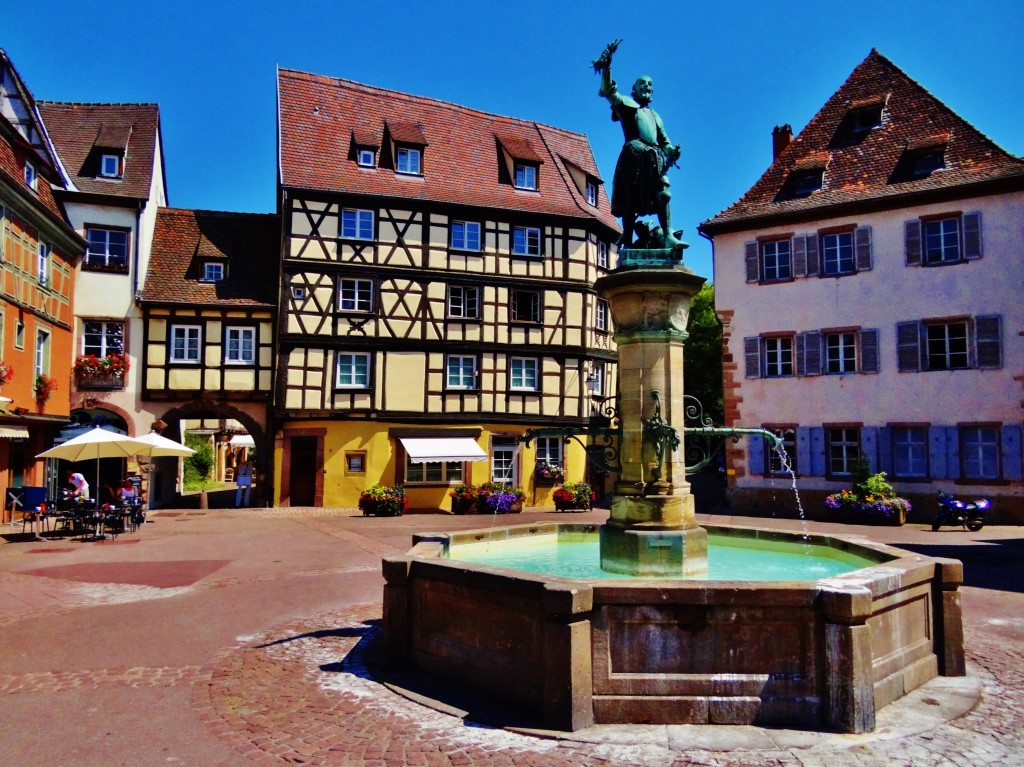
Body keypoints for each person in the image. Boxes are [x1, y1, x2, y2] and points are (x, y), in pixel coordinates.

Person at [593, 39, 683, 250]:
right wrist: (607, 67)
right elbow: (608, 91)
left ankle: (668, 235)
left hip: (653, 157)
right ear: (633, 90)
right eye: (642, 84)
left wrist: (673, 151)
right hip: (634, 154)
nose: (647, 87)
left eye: (650, 85)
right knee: (630, 199)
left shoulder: (655, 115)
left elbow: (665, 142)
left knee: (664, 192)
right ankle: (628, 235)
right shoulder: (627, 105)